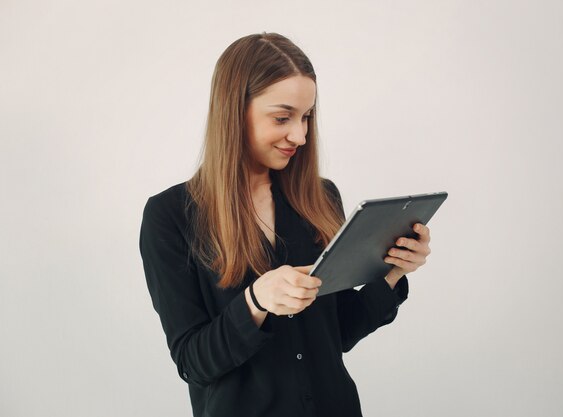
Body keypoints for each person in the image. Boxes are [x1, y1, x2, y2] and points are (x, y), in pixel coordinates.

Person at [139, 32, 432, 417]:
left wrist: (393, 273)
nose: (300, 135)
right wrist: (256, 301)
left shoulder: (321, 197)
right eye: (282, 118)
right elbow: (193, 363)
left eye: (306, 116)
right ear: (234, 111)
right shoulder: (169, 216)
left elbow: (338, 332)